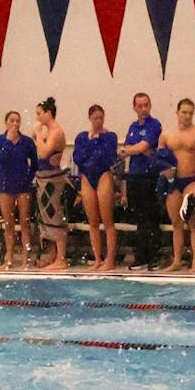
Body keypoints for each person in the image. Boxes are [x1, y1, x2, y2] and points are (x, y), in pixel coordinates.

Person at [158, 98, 195, 272]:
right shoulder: (167, 135)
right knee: (176, 222)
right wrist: (165, 171)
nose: (187, 116)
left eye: (190, 113)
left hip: (191, 180)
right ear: (177, 113)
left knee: (193, 223)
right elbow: (159, 159)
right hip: (173, 182)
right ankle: (177, 260)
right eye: (184, 112)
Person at [118, 92, 163, 270]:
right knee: (138, 217)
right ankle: (141, 256)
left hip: (149, 176)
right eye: (140, 106)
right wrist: (137, 149)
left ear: (150, 106)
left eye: (146, 105)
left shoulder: (155, 124)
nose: (143, 109)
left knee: (150, 217)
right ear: (134, 107)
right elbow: (132, 148)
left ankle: (153, 256)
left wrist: (135, 149)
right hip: (134, 175)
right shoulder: (133, 126)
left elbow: (143, 147)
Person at [73, 104, 119, 272]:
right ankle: (97, 259)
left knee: (107, 220)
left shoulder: (110, 136)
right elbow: (78, 158)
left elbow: (109, 157)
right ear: (90, 118)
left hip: (103, 176)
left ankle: (110, 259)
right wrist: (94, 149)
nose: (99, 121)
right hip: (87, 177)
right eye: (95, 118)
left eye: (101, 117)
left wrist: (95, 145)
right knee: (93, 221)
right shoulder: (81, 137)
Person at [0, 109, 38, 269]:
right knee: (9, 223)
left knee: (25, 221)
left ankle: (26, 258)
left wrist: (29, 178)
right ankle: (9, 258)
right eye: (12, 120)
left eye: (18, 121)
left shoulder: (27, 141)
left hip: (23, 186)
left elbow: (35, 163)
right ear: (6, 122)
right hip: (6, 185)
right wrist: (9, 142)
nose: (15, 124)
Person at [32, 97, 68, 271]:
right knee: (46, 219)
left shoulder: (56, 132)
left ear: (48, 113)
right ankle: (54, 255)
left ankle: (61, 258)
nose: (37, 117)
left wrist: (38, 135)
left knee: (55, 217)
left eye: (39, 113)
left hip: (52, 180)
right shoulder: (49, 132)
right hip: (44, 179)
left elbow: (45, 153)